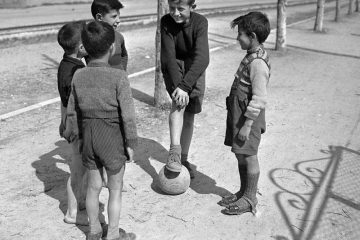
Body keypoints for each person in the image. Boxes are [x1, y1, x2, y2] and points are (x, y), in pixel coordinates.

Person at [64, 21, 137, 240]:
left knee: (93, 188)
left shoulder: (79, 76)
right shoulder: (119, 77)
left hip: (88, 137)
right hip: (112, 137)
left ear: (84, 47)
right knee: (115, 189)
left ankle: (94, 231)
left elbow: (71, 110)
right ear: (112, 48)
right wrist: (131, 142)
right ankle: (113, 234)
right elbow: (128, 115)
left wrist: (73, 133)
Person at [218, 12, 271, 216]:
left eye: (240, 34)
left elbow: (258, 98)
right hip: (240, 114)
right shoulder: (251, 54)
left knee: (249, 155)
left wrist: (247, 125)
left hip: (249, 118)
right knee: (241, 154)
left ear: (252, 36)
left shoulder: (258, 63)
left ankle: (250, 199)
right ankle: (243, 191)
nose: (237, 38)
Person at [160, 0, 209, 178]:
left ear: (192, 8)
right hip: (174, 69)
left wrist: (186, 85)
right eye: (172, 8)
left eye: (180, 9)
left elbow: (203, 58)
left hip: (194, 68)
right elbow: (168, 57)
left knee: (190, 116)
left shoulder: (201, 22)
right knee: (178, 105)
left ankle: (183, 158)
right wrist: (179, 87)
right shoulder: (166, 21)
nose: (175, 13)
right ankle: (174, 153)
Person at [57, 21, 88, 225]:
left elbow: (63, 99)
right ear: (81, 48)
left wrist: (62, 121)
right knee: (76, 171)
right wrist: (70, 126)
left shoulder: (66, 64)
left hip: (71, 124)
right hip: (76, 127)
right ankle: (72, 213)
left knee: (81, 168)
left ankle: (81, 201)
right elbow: (72, 103)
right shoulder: (76, 72)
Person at [91, 0, 128, 71]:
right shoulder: (89, 38)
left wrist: (122, 71)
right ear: (99, 17)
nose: (118, 20)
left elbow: (124, 55)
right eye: (114, 16)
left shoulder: (119, 37)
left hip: (118, 80)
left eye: (119, 16)